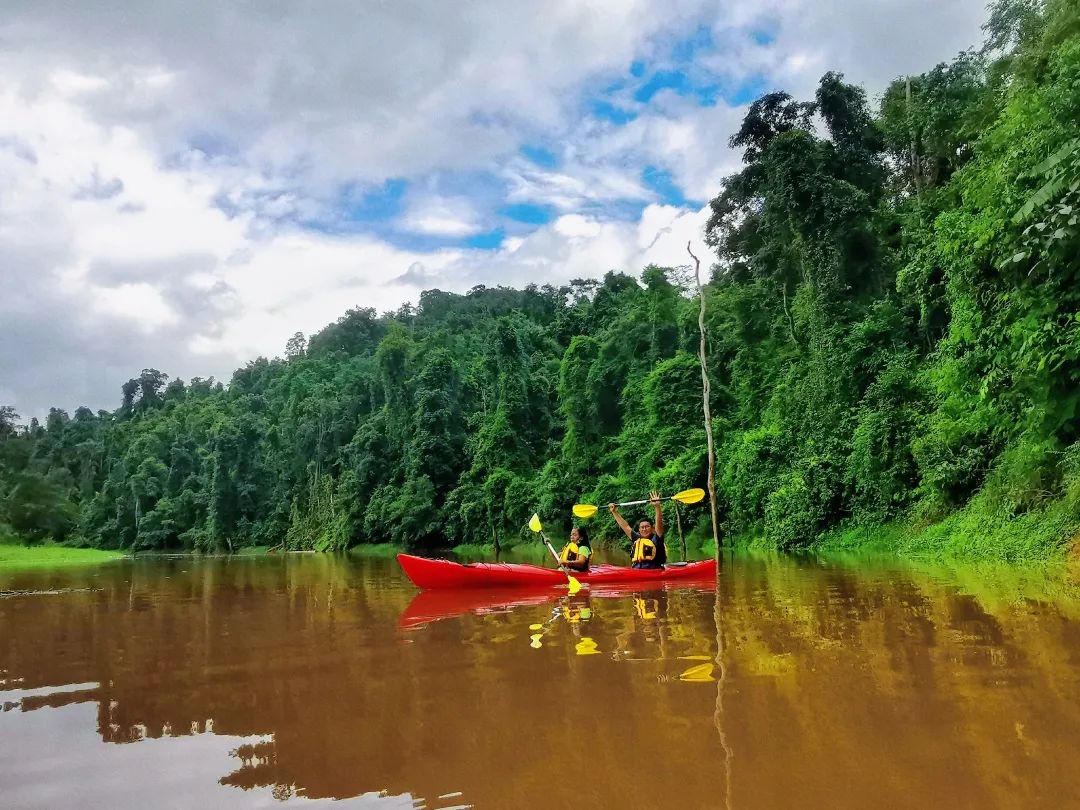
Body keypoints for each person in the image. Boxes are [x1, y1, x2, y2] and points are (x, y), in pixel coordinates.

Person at [609, 491, 666, 569]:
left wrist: (657, 507)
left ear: (652, 528)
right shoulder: (637, 538)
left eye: (647, 526)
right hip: (636, 570)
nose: (644, 529)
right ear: (639, 529)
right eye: (642, 527)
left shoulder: (657, 538)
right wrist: (614, 512)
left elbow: (659, 524)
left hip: (654, 571)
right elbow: (625, 526)